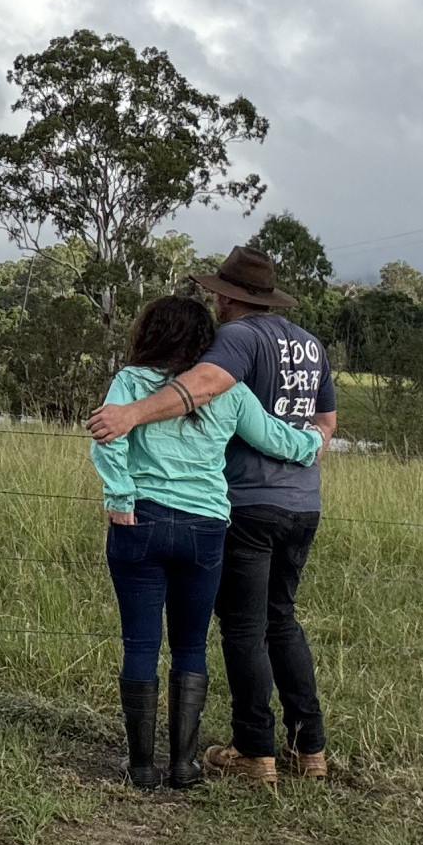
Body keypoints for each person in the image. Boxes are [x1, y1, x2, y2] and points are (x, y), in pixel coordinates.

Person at [87, 246, 338, 785]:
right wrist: (313, 444)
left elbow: (175, 402)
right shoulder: (300, 352)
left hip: (193, 512)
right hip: (254, 515)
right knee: (241, 632)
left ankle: (180, 762)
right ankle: (261, 754)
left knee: (178, 638)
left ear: (229, 298)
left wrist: (123, 472)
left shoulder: (191, 360)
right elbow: (302, 427)